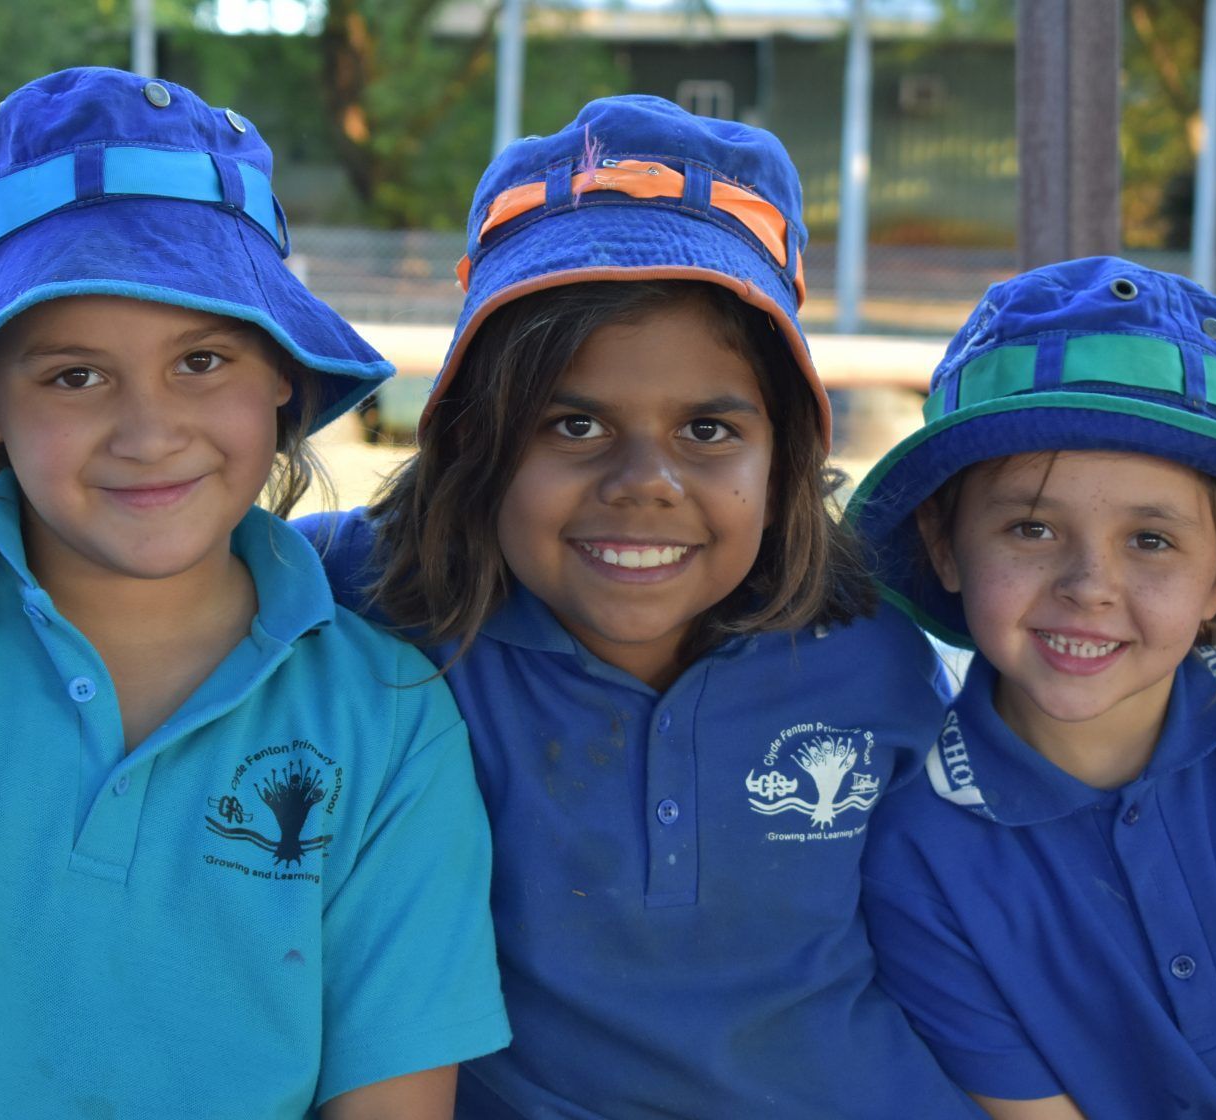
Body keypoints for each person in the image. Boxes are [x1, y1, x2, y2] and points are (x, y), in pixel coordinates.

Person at [0, 68, 509, 1120]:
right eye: (75, 376)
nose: (149, 431)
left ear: (283, 373)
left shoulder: (389, 718)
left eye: (201, 360)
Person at [299, 95, 975, 1118]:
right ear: (477, 442)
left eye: (708, 430)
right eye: (573, 424)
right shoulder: (365, 599)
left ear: (785, 451)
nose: (644, 481)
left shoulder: (871, 650)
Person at [850, 256, 1216, 1119]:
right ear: (945, 545)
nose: (1090, 584)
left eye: (1152, 541)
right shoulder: (916, 845)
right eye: (1032, 527)